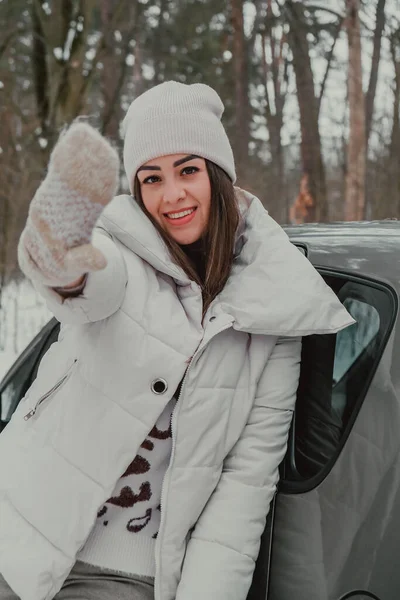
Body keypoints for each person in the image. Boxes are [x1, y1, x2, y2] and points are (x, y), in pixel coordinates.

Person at [0, 81, 353, 600]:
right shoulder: (121, 249)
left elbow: (243, 484)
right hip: (18, 522)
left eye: (188, 170)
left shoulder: (277, 307)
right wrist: (59, 249)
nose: (172, 195)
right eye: (151, 178)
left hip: (124, 577)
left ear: (218, 174)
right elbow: (85, 284)